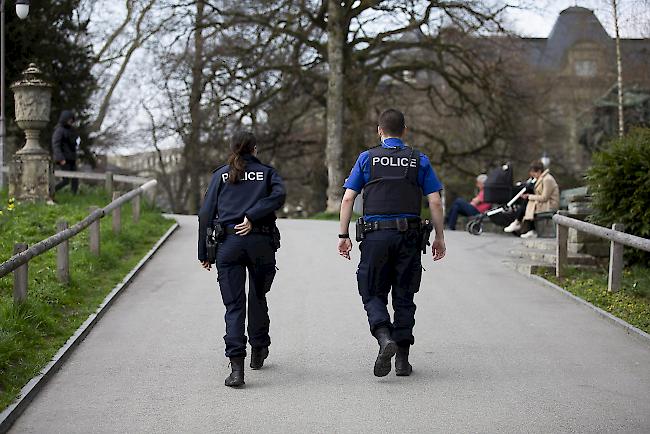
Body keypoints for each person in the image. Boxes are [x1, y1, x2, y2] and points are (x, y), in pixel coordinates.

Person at [338, 109, 446, 378]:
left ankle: (384, 336)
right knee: (404, 295)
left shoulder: (366, 159)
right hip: (409, 237)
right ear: (405, 131)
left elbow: (349, 198)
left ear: (379, 131)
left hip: (375, 237)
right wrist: (440, 237)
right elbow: (434, 200)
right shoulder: (418, 160)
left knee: (372, 291)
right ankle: (402, 361)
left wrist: (343, 236)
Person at [198, 131, 286, 388]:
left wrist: (204, 252)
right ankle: (258, 349)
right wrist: (253, 215)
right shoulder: (268, 174)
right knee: (258, 297)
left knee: (234, 306)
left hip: (229, 245)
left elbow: (205, 214)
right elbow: (278, 197)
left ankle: (237, 369)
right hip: (261, 243)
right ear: (255, 150)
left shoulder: (221, 175)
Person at [503, 160, 559, 238]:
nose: (532, 175)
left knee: (528, 202)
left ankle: (518, 223)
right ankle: (525, 227)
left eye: (534, 173)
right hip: (544, 203)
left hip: (550, 204)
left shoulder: (547, 179)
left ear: (539, 171)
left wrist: (529, 196)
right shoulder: (541, 178)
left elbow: (545, 197)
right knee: (528, 202)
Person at [52, 110, 80, 194]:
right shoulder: (59, 130)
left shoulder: (72, 130)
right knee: (66, 180)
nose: (70, 121)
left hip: (72, 158)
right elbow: (56, 145)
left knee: (75, 178)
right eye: (69, 120)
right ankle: (52, 190)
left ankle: (74, 195)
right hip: (64, 159)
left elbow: (74, 142)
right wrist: (60, 158)